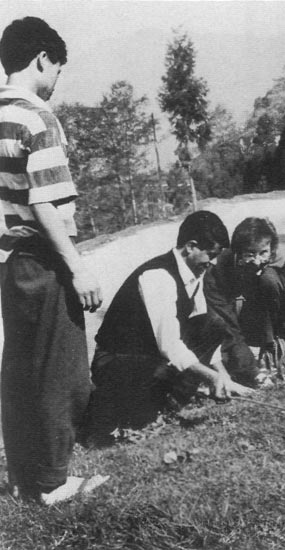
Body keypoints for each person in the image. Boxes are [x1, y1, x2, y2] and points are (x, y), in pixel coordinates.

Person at [0, 17, 108, 504]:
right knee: (62, 373)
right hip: (43, 259)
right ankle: (53, 483)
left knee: (22, 369)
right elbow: (46, 203)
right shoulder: (38, 117)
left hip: (8, 261)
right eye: (58, 70)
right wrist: (78, 267)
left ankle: (25, 480)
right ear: (43, 58)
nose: (56, 81)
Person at [84, 211, 253, 445]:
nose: (213, 263)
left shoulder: (195, 271)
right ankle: (119, 414)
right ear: (191, 246)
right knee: (148, 398)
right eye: (211, 255)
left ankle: (163, 406)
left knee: (214, 325)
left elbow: (202, 327)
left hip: (149, 357)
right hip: (116, 362)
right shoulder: (158, 276)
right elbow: (170, 345)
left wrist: (223, 377)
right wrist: (211, 377)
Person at [204, 217, 285, 381]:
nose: (257, 260)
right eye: (250, 254)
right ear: (237, 253)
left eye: (263, 253)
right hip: (239, 321)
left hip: (271, 319)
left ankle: (276, 344)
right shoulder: (219, 269)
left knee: (268, 278)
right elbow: (225, 320)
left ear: (271, 249)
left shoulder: (282, 259)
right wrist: (250, 368)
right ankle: (252, 353)